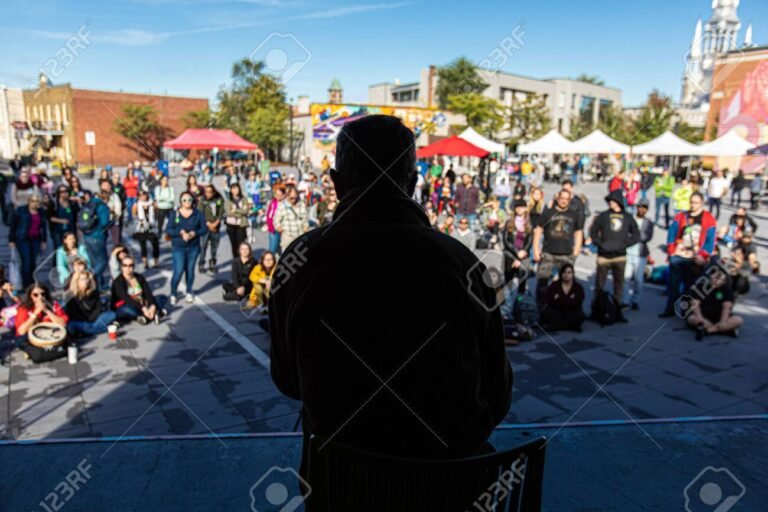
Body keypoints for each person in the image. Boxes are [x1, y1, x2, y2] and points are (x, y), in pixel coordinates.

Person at [268, 115, 512, 482]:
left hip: (339, 486)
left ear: (336, 182)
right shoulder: (463, 265)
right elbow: (497, 395)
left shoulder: (301, 260)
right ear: (412, 183)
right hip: (447, 487)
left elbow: (287, 380)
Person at [660, 192, 717, 317]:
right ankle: (670, 309)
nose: (693, 205)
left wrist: (703, 255)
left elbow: (710, 241)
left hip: (695, 258)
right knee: (673, 285)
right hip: (679, 255)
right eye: (691, 202)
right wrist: (671, 251)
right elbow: (671, 234)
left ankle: (685, 311)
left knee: (689, 286)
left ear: (702, 203)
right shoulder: (681, 216)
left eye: (696, 203)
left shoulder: (708, 218)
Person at [589, 189, 640, 313]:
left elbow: (636, 234)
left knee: (619, 285)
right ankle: (597, 310)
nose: (611, 203)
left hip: (620, 256)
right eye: (610, 201)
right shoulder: (603, 215)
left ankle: (617, 311)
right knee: (599, 285)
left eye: (613, 200)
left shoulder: (627, 217)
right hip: (603, 256)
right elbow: (593, 231)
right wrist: (600, 244)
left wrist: (625, 245)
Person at [533, 189, 584, 305]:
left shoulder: (573, 214)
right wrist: (536, 249)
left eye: (567, 199)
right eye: (562, 198)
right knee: (543, 281)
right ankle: (541, 306)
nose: (564, 201)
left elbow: (578, 232)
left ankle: (564, 306)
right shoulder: (548, 213)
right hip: (548, 253)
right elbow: (538, 230)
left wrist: (577, 249)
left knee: (567, 282)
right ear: (557, 198)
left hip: (566, 253)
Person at [167, 191, 207, 305]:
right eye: (184, 200)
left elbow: (204, 229)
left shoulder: (198, 214)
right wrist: (180, 232)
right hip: (178, 247)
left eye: (189, 200)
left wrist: (194, 233)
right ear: (180, 202)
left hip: (193, 247)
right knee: (178, 270)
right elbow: (169, 230)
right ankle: (173, 292)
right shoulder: (175, 214)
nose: (187, 202)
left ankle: (189, 291)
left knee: (190, 270)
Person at [685, 264, 743, 341]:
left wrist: (723, 322)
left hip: (719, 317)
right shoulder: (701, 287)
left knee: (738, 320)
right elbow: (695, 305)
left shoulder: (726, 290)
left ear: (724, 281)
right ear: (711, 276)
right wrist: (701, 318)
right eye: (716, 278)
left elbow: (726, 308)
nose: (717, 281)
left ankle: (707, 331)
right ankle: (726, 331)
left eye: (721, 280)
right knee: (691, 318)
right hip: (704, 316)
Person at [14, 283, 68, 358]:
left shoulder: (54, 304)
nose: (40, 297)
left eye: (43, 294)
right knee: (21, 341)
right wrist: (35, 313)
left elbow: (63, 324)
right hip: (31, 336)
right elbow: (21, 331)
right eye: (35, 295)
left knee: (67, 334)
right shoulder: (24, 308)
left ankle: (45, 351)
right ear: (31, 296)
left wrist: (47, 311)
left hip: (50, 335)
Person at [111, 256, 167, 325]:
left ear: (134, 266)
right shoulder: (118, 281)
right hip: (128, 305)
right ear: (121, 267)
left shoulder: (139, 277)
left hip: (143, 303)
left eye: (131, 265)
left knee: (162, 298)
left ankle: (146, 316)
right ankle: (155, 313)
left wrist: (152, 305)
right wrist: (143, 308)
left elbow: (148, 293)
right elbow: (126, 298)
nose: (128, 268)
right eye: (125, 265)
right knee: (126, 310)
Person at [9, 194, 48, 288]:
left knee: (33, 262)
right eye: (33, 201)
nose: (35, 204)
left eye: (37, 202)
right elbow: (13, 225)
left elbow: (44, 227)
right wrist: (11, 240)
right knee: (26, 262)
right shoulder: (21, 210)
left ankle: (32, 283)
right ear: (29, 201)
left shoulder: (41, 212)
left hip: (36, 239)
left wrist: (44, 240)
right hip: (22, 239)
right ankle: (26, 285)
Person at [65, 271, 118, 337]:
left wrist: (91, 320)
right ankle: (103, 329)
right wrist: (87, 321)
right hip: (81, 321)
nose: (86, 281)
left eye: (87, 279)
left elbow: (98, 309)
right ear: (77, 281)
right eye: (82, 279)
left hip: (94, 320)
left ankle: (87, 332)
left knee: (112, 314)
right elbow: (73, 314)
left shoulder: (94, 292)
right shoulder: (70, 295)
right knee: (71, 326)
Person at [623, 200, 654, 310]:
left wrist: (635, 234)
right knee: (626, 278)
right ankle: (625, 300)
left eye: (644, 207)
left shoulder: (648, 223)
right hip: (628, 252)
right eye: (640, 207)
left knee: (638, 279)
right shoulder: (630, 219)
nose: (641, 209)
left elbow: (647, 237)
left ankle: (635, 299)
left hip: (640, 254)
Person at [79, 190, 111, 290]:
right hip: (98, 236)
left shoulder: (89, 205)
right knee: (102, 261)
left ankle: (98, 285)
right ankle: (88, 279)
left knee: (94, 262)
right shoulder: (102, 206)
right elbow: (105, 223)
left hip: (87, 236)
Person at [539, 263, 586, 332]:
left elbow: (577, 301)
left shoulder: (578, 287)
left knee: (579, 316)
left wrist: (559, 298)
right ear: (561, 274)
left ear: (573, 274)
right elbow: (549, 299)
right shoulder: (554, 285)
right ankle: (568, 326)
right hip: (557, 311)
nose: (566, 275)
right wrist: (568, 299)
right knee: (546, 313)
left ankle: (558, 326)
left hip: (571, 312)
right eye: (564, 272)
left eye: (569, 272)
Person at [197, 184, 224, 275]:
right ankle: (201, 263)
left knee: (214, 246)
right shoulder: (202, 200)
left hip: (216, 226)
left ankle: (212, 263)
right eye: (206, 192)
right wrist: (208, 224)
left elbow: (221, 212)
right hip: (205, 226)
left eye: (210, 192)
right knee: (203, 246)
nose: (208, 194)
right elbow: (200, 213)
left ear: (213, 192)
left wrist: (216, 223)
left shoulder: (219, 199)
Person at [274, 184, 309, 251]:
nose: (293, 200)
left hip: (300, 235)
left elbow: (305, 218)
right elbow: (276, 220)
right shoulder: (282, 206)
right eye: (291, 198)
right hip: (287, 237)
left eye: (295, 198)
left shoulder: (302, 204)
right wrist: (279, 228)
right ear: (287, 196)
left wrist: (306, 226)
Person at [132, 189, 160, 269]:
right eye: (140, 195)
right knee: (143, 245)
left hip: (151, 226)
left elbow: (157, 212)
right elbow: (134, 214)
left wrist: (155, 206)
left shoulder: (152, 202)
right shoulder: (137, 204)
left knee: (155, 244)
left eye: (144, 194)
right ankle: (145, 263)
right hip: (142, 227)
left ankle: (156, 262)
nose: (143, 196)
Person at [224, 183, 252, 258]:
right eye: (233, 189)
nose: (235, 190)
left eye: (236, 188)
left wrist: (235, 210)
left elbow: (246, 211)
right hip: (231, 225)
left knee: (241, 243)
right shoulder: (228, 200)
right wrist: (240, 212)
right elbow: (228, 212)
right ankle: (236, 259)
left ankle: (242, 258)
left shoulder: (244, 199)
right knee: (234, 244)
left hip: (241, 224)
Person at [47, 185, 78, 249]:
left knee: (72, 249)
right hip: (58, 232)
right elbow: (50, 218)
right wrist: (61, 221)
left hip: (71, 230)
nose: (64, 193)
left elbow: (76, 216)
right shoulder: (54, 204)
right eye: (61, 192)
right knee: (60, 249)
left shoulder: (72, 203)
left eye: (65, 191)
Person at [100, 178, 123, 245]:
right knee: (102, 241)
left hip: (113, 221)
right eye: (104, 185)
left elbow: (118, 208)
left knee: (116, 242)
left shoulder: (115, 196)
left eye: (107, 185)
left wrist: (114, 212)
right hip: (101, 222)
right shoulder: (98, 196)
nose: (106, 187)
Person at [266, 184, 285, 254]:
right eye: (276, 194)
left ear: (283, 195)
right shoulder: (273, 202)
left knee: (272, 250)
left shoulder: (283, 204)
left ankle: (271, 263)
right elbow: (269, 214)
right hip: (271, 229)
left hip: (277, 229)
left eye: (279, 195)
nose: (277, 196)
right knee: (272, 247)